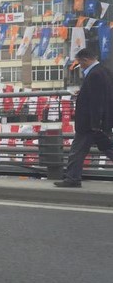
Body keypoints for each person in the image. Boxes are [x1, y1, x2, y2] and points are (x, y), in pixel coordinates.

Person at [55, 48, 113, 187]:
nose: (80, 66)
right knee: (107, 148)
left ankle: (72, 179)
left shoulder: (95, 74)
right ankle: (72, 178)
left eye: (80, 63)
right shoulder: (104, 71)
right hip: (99, 122)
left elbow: (97, 101)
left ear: (86, 60)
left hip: (89, 124)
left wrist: (95, 123)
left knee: (77, 151)